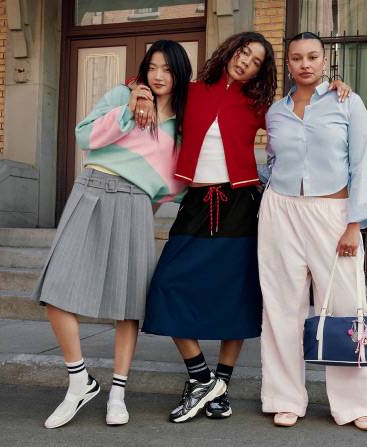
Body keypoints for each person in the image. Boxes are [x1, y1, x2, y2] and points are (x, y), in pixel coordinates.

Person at [137, 32, 351, 424]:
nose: (245, 63)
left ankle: (221, 383)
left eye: (255, 62)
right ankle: (203, 379)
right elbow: (153, 84)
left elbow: (300, 111)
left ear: (260, 72)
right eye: (243, 53)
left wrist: (334, 87)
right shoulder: (192, 91)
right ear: (229, 52)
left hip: (239, 204)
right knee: (166, 285)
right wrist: (138, 93)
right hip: (196, 205)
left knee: (235, 295)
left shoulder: (260, 106)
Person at [33, 40, 191, 429]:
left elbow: (174, 185)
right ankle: (79, 382)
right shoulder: (122, 95)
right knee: (55, 289)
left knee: (128, 304)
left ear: (180, 74)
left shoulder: (181, 127)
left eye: (167, 69)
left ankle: (118, 392)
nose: (158, 76)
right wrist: (128, 111)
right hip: (91, 189)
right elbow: (84, 136)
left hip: (136, 202)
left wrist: (145, 206)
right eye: (153, 67)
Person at [257, 32, 367, 431]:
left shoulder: (348, 102)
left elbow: (361, 166)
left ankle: (355, 405)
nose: (305, 64)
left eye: (312, 56)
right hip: (280, 212)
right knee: (281, 308)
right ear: (288, 64)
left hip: (333, 214)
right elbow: (273, 162)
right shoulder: (276, 112)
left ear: (324, 61)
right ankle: (284, 398)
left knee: (345, 307)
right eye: (297, 58)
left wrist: (354, 224)